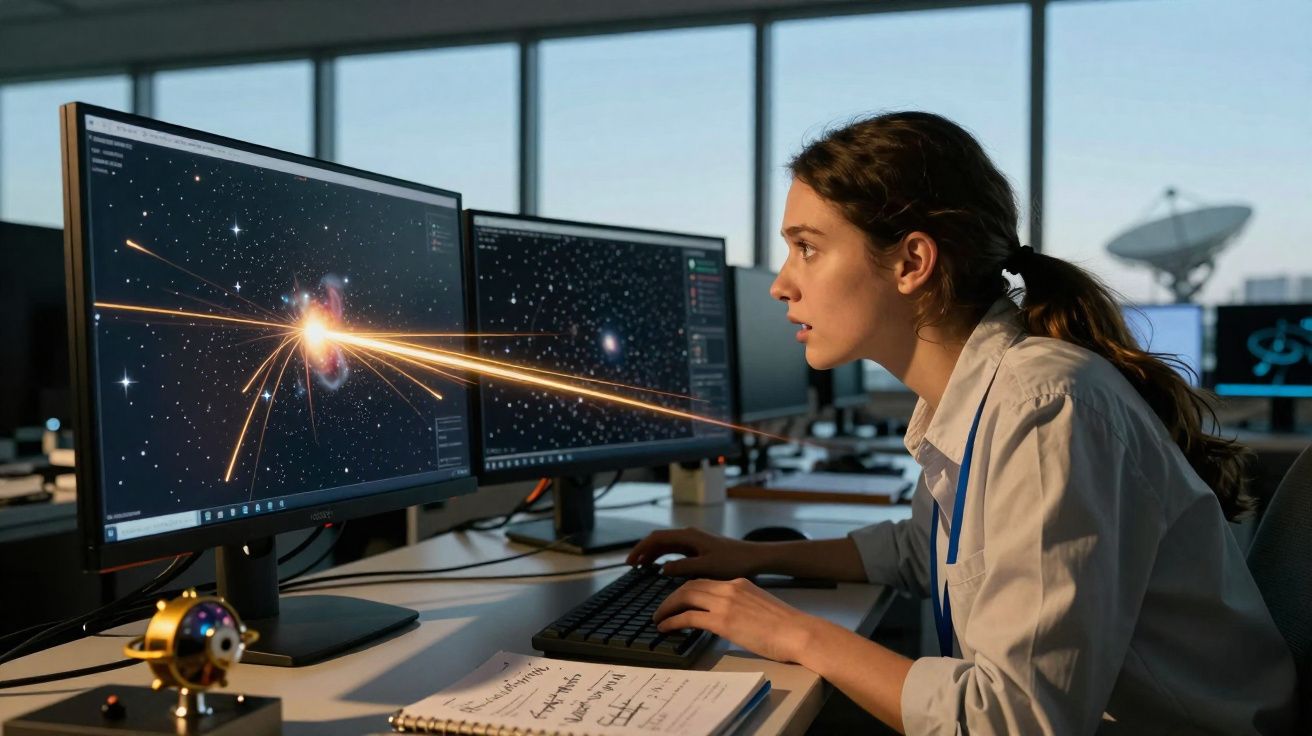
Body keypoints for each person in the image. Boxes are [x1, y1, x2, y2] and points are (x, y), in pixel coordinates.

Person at [627, 112, 1297, 735]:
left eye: (807, 248)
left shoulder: (1044, 408)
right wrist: (755, 559)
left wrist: (793, 631)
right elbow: (926, 550)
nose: (781, 283)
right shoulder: (979, 398)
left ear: (913, 262)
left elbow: (1014, 720)